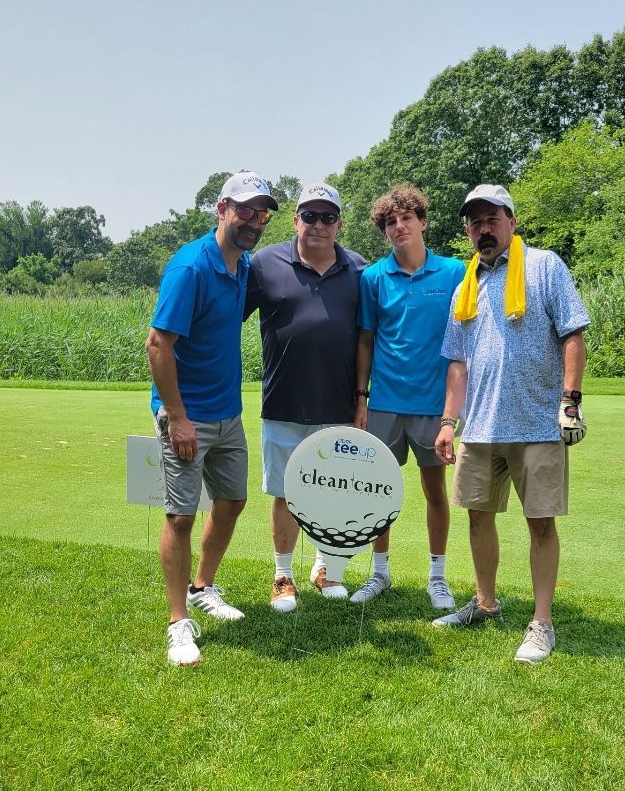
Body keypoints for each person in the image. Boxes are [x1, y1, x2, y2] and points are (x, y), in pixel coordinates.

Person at [433, 184, 589, 664]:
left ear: (511, 221)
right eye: (475, 222)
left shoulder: (544, 266)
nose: (484, 228)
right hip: (479, 427)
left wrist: (571, 401)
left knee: (539, 523)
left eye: (492, 219)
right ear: (467, 230)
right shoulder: (466, 285)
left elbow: (573, 334)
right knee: (478, 517)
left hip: (538, 423)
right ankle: (485, 604)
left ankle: (542, 623)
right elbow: (457, 362)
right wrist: (447, 421)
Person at [145, 171, 278, 666]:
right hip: (189, 416)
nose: (253, 220)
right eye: (245, 209)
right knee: (181, 515)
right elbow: (158, 344)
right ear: (221, 208)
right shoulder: (190, 268)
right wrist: (176, 418)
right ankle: (179, 621)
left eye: (262, 213)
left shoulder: (240, 266)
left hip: (228, 412)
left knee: (233, 501)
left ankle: (203, 586)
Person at [244, 181, 366, 613]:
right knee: (283, 492)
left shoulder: (358, 269)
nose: (318, 224)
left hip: (339, 403)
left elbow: (370, 338)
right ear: (295, 220)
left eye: (328, 217)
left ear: (339, 224)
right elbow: (226, 318)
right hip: (284, 402)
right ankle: (282, 576)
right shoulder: (264, 264)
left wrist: (363, 399)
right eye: (310, 216)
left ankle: (326, 569)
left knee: (335, 491)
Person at [351, 185, 465, 610]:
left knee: (435, 490)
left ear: (422, 222)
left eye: (406, 219)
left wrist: (453, 413)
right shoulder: (373, 278)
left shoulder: (454, 273)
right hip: (384, 404)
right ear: (385, 232)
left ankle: (438, 577)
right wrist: (361, 397)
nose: (399, 227)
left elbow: (463, 346)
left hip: (433, 408)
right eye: (390, 223)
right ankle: (379, 572)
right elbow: (365, 341)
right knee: (379, 490)